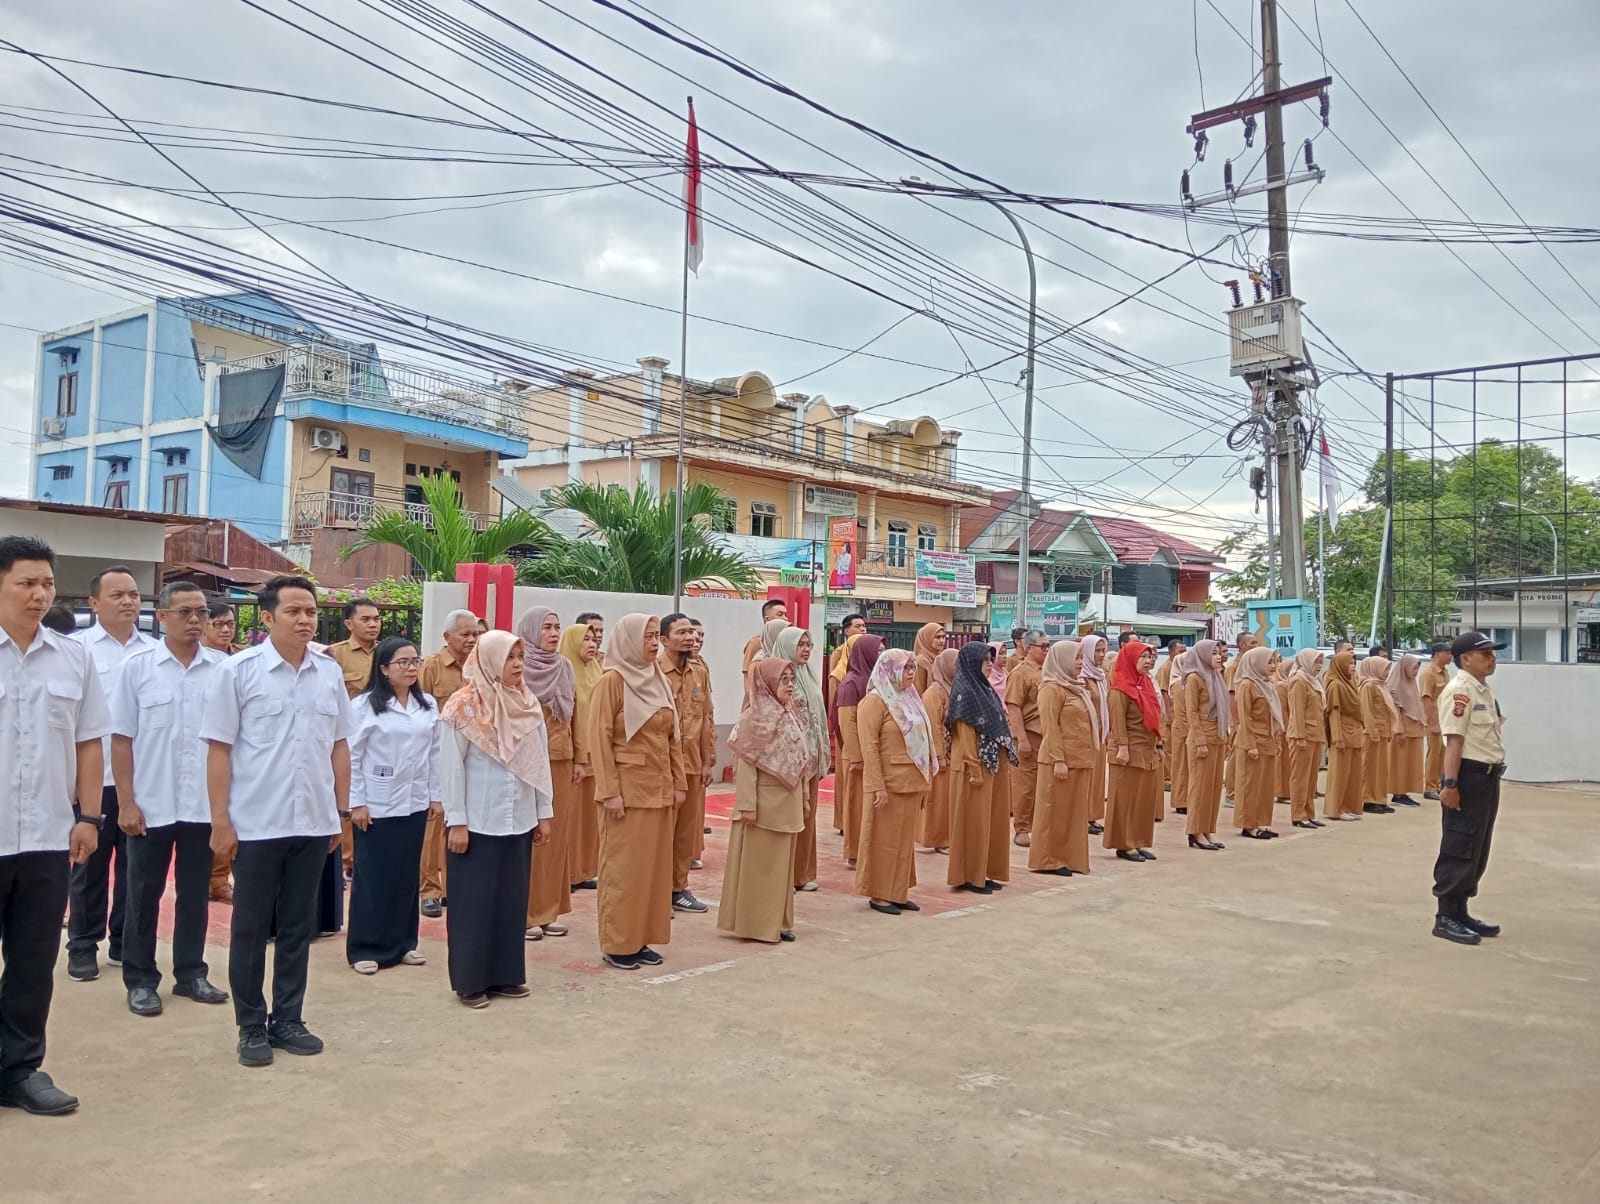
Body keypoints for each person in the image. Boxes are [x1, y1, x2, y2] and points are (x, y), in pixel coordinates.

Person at [201, 574, 353, 1068]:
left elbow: (339, 746)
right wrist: (220, 821)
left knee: (296, 928)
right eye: (294, 611)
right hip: (257, 823)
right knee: (249, 928)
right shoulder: (238, 672)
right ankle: (250, 1025)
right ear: (267, 618)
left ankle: (288, 1019)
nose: (305, 620)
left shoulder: (328, 674)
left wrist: (341, 811)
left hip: (312, 822)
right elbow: (219, 751)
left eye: (310, 611)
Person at [0, 536, 109, 1116]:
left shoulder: (73, 658)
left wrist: (88, 815)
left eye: (46, 583)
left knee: (33, 959)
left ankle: (19, 1070)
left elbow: (90, 742)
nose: (40, 594)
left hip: (45, 835)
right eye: (26, 583)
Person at [109, 581, 229, 1017]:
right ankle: (140, 979)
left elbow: (229, 743)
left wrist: (224, 810)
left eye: (201, 613)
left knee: (196, 894)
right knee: (143, 892)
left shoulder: (222, 670)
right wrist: (126, 802)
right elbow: (120, 740)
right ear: (162, 617)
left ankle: (191, 972)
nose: (196, 621)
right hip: (151, 803)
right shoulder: (137, 668)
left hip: (202, 806)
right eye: (185, 613)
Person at [439, 632, 553, 1007]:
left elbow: (539, 763)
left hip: (518, 818)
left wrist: (543, 814)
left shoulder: (527, 703)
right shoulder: (462, 706)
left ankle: (506, 975)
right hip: (477, 822)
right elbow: (450, 769)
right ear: (489, 660)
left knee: (510, 900)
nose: (518, 665)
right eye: (510, 658)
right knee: (473, 903)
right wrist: (456, 821)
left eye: (521, 657)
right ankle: (470, 981)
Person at [65, 564, 155, 984]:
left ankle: (123, 941)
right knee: (90, 865)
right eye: (117, 595)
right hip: (94, 779)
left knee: (135, 869)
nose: (128, 602)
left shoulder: (154, 651)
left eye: (134, 594)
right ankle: (82, 945)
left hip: (141, 780)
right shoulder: (76, 649)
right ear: (94, 603)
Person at [589, 614, 686, 971]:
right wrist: (609, 790)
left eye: (654, 637)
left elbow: (672, 735)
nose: (653, 643)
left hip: (658, 789)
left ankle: (641, 937)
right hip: (627, 793)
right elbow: (598, 738)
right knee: (623, 869)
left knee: (652, 870)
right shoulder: (612, 681)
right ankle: (618, 942)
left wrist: (679, 782)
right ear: (628, 639)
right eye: (646, 637)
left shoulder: (656, 678)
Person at [346, 637, 439, 976]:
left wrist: (435, 795)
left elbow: (435, 753)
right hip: (377, 803)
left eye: (415, 661)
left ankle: (403, 944)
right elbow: (353, 757)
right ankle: (365, 947)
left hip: (414, 801)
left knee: (404, 875)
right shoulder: (365, 706)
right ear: (383, 669)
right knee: (374, 876)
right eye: (403, 662)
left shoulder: (427, 704)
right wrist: (356, 802)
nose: (411, 667)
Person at [719, 658, 811, 942]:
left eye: (791, 679)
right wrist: (747, 804)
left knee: (780, 869)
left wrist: (805, 797)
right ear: (767, 682)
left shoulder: (788, 712)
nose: (790, 685)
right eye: (783, 680)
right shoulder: (754, 718)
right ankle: (757, 925)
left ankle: (777, 922)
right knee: (760, 868)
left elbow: (800, 759)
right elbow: (745, 764)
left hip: (787, 802)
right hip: (764, 805)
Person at [1431, 632, 1508, 946]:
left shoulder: (1482, 690)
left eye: (1493, 653)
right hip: (1468, 776)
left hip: (1487, 776)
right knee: (1460, 844)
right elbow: (1454, 741)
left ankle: (1461, 910)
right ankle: (1445, 916)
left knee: (1478, 845)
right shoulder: (1459, 691)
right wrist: (1450, 784)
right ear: (1466, 659)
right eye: (1486, 653)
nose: (1493, 658)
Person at [854, 649, 934, 915]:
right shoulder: (875, 702)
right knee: (884, 839)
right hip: (889, 782)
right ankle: (880, 894)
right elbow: (869, 747)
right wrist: (877, 785)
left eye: (913, 668)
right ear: (890, 669)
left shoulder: (910, 697)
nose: (911, 673)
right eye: (906, 668)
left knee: (903, 841)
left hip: (911, 780)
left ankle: (898, 891)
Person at [516, 607, 579, 942]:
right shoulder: (518, 667)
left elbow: (576, 714)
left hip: (561, 759)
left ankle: (548, 910)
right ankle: (525, 913)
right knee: (529, 836)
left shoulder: (564, 667)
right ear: (530, 631)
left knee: (555, 839)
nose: (554, 633)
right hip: (527, 763)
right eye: (547, 628)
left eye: (557, 627)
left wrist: (581, 757)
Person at [417, 609, 479, 918]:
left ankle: (455, 888)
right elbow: (419, 711)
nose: (471, 639)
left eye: (475, 634)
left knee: (463, 825)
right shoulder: (431, 668)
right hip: (438, 758)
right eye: (465, 634)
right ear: (447, 637)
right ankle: (430, 889)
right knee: (435, 826)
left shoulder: (480, 668)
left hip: (472, 761)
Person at [945, 640, 1018, 894]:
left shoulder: (984, 689)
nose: (990, 665)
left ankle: (986, 871)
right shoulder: (964, 693)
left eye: (990, 660)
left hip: (991, 765)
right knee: (973, 823)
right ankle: (970, 876)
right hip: (972, 770)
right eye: (986, 661)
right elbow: (965, 738)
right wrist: (974, 769)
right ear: (972, 663)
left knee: (990, 822)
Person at [658, 613, 716, 914]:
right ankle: (656, 891)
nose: (691, 637)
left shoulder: (699, 671)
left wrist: (708, 762)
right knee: (660, 833)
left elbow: (705, 717)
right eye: (682, 632)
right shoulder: (654, 672)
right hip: (663, 767)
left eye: (693, 632)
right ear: (664, 639)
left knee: (685, 834)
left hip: (692, 763)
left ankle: (678, 889)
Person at [1030, 641, 1097, 876]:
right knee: (1053, 812)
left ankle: (1070, 857)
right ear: (1062, 661)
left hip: (1079, 759)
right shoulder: (1051, 689)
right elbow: (1050, 728)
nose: (1080, 663)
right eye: (1076, 658)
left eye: (1081, 658)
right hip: (1059, 761)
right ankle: (1048, 859)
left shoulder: (1074, 687)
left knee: (1073, 814)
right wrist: (1058, 759)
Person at [327, 597, 382, 878]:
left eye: (376, 619)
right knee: (346, 797)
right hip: (345, 740)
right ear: (349, 623)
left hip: (382, 741)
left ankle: (363, 858)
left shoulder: (387, 654)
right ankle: (347, 861)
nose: (373, 624)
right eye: (365, 619)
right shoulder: (336, 655)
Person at [774, 626, 827, 892]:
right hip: (789, 761)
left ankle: (802, 874)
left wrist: (823, 754)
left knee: (808, 818)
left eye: (809, 644)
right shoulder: (779, 677)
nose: (806, 649)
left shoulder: (808, 675)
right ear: (786, 645)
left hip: (811, 761)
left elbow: (819, 719)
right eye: (801, 644)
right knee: (790, 818)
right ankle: (784, 873)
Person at [1104, 640, 1163, 861]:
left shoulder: (1145, 684)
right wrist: (1122, 748)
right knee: (1125, 799)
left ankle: (1138, 840)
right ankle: (1124, 843)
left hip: (1146, 749)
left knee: (1142, 800)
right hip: (1127, 751)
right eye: (1143, 657)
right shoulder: (1120, 688)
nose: (1148, 661)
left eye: (1150, 657)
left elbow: (1156, 716)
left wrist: (1158, 743)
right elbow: (1117, 722)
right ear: (1130, 659)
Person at [829, 633, 883, 868]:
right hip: (858, 756)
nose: (881, 655)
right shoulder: (851, 683)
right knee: (857, 804)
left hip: (873, 753)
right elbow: (846, 723)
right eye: (878, 651)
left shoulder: (876, 679)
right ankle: (854, 851)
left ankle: (869, 848)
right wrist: (857, 757)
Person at [202, 600, 244, 902]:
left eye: (230, 623)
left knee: (225, 816)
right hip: (199, 748)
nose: (227, 629)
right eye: (219, 624)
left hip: (230, 751)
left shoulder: (242, 660)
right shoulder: (199, 659)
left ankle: (219, 878)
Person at [559, 622, 604, 892]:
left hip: (596, 754)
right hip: (575, 755)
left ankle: (582, 871)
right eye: (585, 640)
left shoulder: (597, 670)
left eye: (593, 639)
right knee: (570, 818)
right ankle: (566, 871)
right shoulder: (565, 673)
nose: (591, 644)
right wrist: (578, 755)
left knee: (589, 820)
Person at [1232, 647, 1285, 840]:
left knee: (1265, 785)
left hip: (1268, 739)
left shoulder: (1267, 683)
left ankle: (1262, 821)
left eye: (1275, 662)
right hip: (1253, 740)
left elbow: (1272, 716)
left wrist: (1275, 739)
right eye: (1269, 662)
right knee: (1250, 784)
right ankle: (1248, 824)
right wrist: (1250, 744)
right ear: (1256, 663)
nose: (1273, 666)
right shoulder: (1247, 685)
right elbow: (1244, 718)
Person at [1182, 640, 1229, 851]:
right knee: (1199, 787)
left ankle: (1208, 828)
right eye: (1214, 653)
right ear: (1202, 655)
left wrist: (1224, 737)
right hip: (1201, 738)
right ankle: (1196, 831)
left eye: (1220, 653)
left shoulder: (1216, 676)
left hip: (1217, 737)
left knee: (1213, 787)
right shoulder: (1194, 678)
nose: (1219, 656)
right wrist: (1200, 741)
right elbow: (1191, 713)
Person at [1005, 630, 1048, 848]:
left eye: (1048, 646)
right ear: (1029, 647)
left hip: (1046, 736)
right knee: (1025, 785)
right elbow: (1014, 706)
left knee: (1044, 784)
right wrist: (1021, 738)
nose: (1046, 650)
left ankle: (1039, 826)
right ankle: (1021, 828)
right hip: (1029, 734)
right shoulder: (1020, 672)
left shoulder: (1048, 671)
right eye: (1042, 646)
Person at [917, 648, 958, 854]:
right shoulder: (934, 693)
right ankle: (937, 838)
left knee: (947, 798)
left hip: (953, 754)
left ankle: (945, 836)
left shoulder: (951, 689)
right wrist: (940, 755)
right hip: (940, 756)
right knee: (938, 799)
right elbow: (934, 726)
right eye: (955, 664)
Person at [1284, 649, 1328, 830]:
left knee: (1311, 778)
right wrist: (1300, 736)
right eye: (1315, 662)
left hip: (1315, 734)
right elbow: (1297, 711)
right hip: (1302, 735)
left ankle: (1309, 813)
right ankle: (1298, 814)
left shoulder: (1314, 682)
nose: (1318, 667)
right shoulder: (1298, 681)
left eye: (1320, 663)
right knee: (1300, 777)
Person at [1322, 644, 1367, 822]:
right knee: (1340, 773)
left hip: (1354, 733)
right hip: (1343, 733)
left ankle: (1350, 806)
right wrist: (1337, 738)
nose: (1353, 666)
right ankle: (1336, 809)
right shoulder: (1336, 685)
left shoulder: (1350, 684)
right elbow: (1333, 713)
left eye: (1354, 663)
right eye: (1350, 663)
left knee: (1353, 773)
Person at [1078, 633, 1111, 835]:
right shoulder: (1081, 677)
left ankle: (1092, 814)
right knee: (1087, 776)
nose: (1100, 655)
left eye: (1102, 650)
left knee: (1098, 776)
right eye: (1097, 651)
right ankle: (1083, 815)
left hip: (1101, 732)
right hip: (1087, 733)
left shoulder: (1100, 675)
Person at [1359, 656, 1399, 815]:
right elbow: (1366, 710)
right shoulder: (1368, 686)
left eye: (1388, 669)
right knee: (1370, 768)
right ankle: (1368, 799)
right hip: (1372, 733)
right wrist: (1372, 731)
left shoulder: (1381, 685)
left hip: (1383, 732)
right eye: (1385, 669)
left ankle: (1380, 799)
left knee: (1382, 769)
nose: (1387, 673)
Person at [1222, 632, 1258, 806]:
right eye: (1252, 643)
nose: (1255, 646)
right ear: (1241, 646)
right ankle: (1231, 793)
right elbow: (1232, 695)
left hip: (1248, 720)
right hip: (1238, 720)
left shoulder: (1249, 666)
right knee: (1235, 757)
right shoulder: (1233, 667)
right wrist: (1236, 722)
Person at [1388, 654, 1426, 807]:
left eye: (1417, 668)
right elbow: (1395, 709)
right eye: (1413, 668)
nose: (1416, 671)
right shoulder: (1395, 686)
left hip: (1414, 730)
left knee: (1411, 763)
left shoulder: (1411, 683)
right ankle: (1398, 793)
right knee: (1400, 763)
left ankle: (1404, 792)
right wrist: (1399, 729)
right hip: (1403, 730)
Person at [1419, 643, 1452, 800]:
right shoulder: (1429, 674)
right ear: (1437, 654)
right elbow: (1426, 700)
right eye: (1447, 653)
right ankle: (1430, 787)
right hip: (1435, 721)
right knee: (1434, 755)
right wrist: (1432, 723)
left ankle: (1438, 785)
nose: (1450, 656)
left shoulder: (1445, 673)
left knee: (1443, 755)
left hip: (1446, 720)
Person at [1162, 640, 1191, 815]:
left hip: (1183, 725)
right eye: (1180, 651)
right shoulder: (1173, 676)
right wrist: (1169, 716)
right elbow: (1165, 693)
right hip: (1178, 724)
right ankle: (1180, 799)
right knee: (1178, 761)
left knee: (1181, 762)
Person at [742, 599, 788, 672]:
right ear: (767, 619)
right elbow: (747, 673)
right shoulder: (756, 643)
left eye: (786, 615)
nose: (785, 618)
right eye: (780, 614)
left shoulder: (787, 641)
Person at [828, 614, 867, 679]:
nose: (863, 629)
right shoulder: (839, 652)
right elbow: (834, 679)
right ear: (847, 631)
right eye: (858, 626)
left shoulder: (869, 650)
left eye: (864, 626)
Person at [912, 622, 946, 694]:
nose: (942, 641)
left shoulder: (942, 657)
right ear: (927, 638)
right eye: (938, 637)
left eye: (943, 637)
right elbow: (919, 691)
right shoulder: (921, 661)